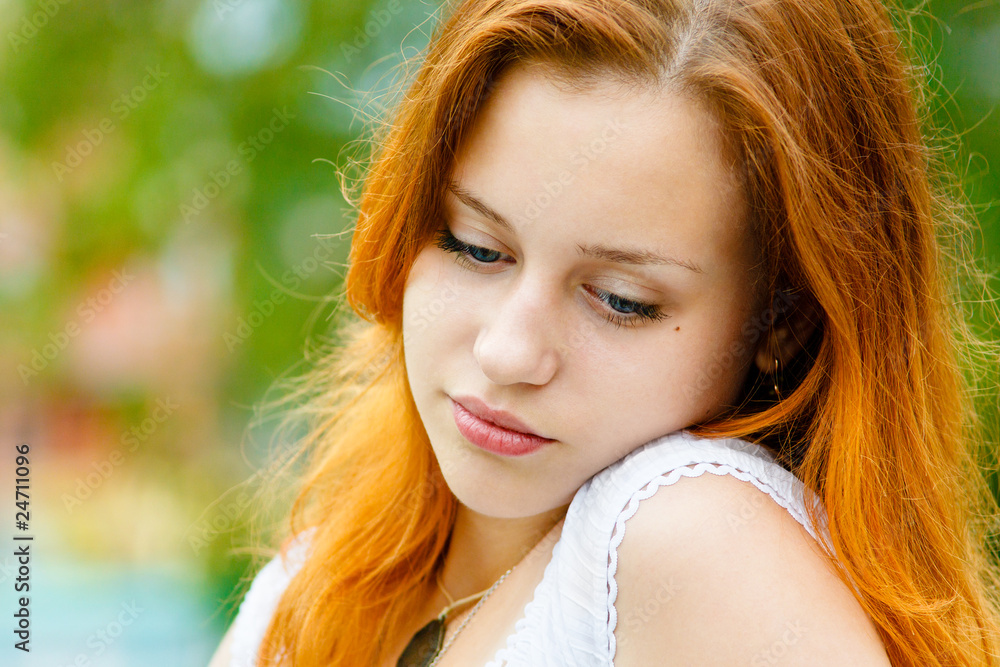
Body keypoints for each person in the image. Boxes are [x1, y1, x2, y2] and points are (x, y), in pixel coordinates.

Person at [209, 0, 1000, 665]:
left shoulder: (684, 537)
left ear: (782, 323)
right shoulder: (315, 576)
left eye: (620, 300)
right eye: (475, 246)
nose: (507, 351)